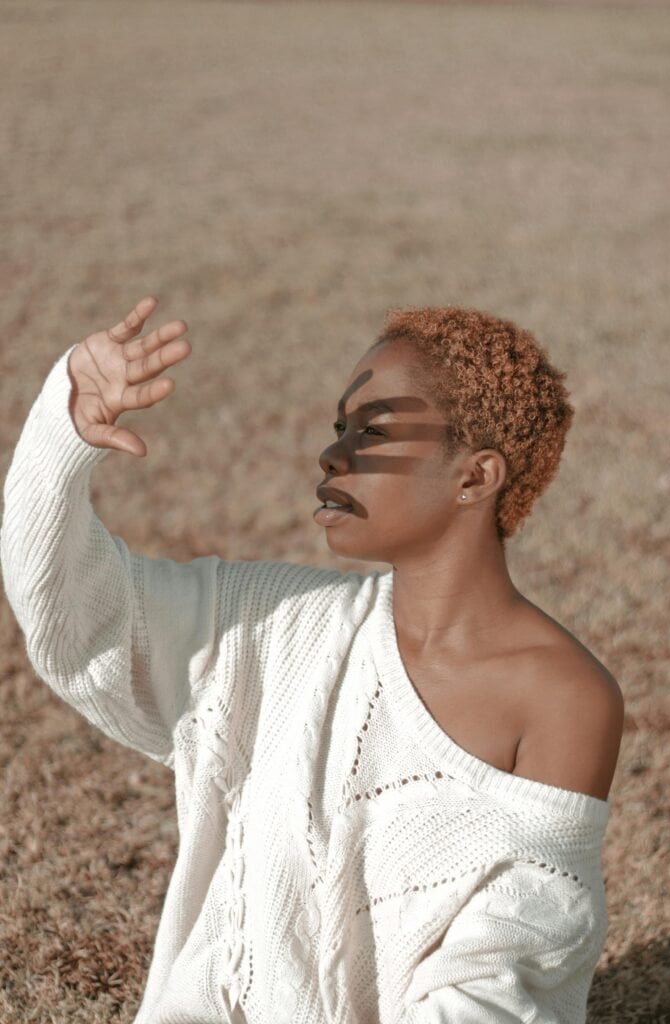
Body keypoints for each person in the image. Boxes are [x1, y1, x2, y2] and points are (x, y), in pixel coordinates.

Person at [0, 295, 624, 1024]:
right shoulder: (275, 620)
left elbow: (509, 961)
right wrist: (61, 431)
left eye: (374, 430)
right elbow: (77, 616)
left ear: (474, 477)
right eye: (340, 429)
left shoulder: (564, 697)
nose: (332, 455)